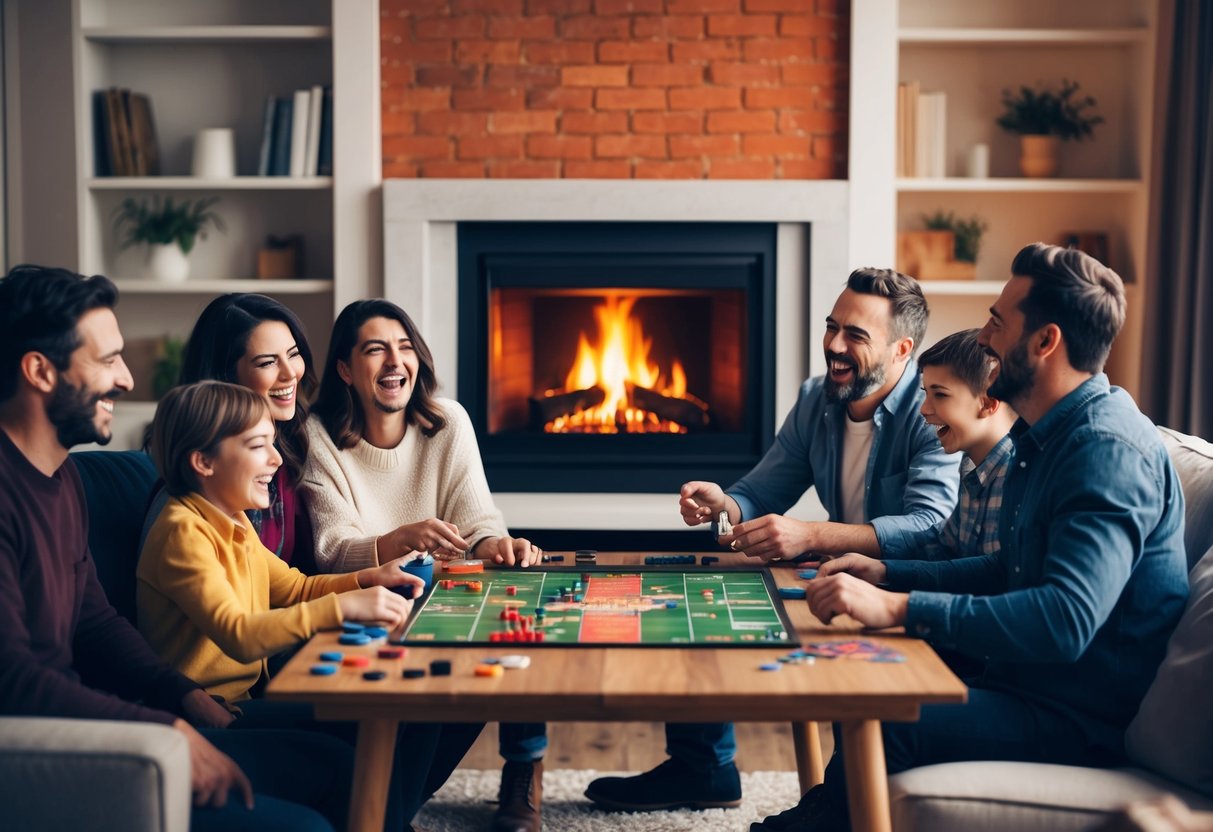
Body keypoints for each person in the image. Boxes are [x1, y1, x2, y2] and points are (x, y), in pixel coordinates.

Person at [754, 243, 1189, 831]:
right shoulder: (1047, 439)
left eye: (997, 321)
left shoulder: (1105, 450)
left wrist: (900, 606)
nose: (982, 338)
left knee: (881, 720)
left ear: (1045, 342)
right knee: (864, 679)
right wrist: (887, 574)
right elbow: (1004, 568)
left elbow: (1064, 621)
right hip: (1022, 682)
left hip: (1074, 718)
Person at [585, 268, 961, 812]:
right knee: (697, 589)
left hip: (897, 590)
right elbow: (766, 487)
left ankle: (828, 807)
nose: (833, 345)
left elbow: (930, 527)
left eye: (855, 335)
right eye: (832, 327)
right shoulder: (818, 398)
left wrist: (811, 534)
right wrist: (727, 504)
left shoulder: (929, 411)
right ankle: (703, 768)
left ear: (902, 349)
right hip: (833, 576)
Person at [0, 264, 350, 832]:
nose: (128, 379)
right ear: (40, 371)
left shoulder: (61, 479)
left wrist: (181, 697)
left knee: (337, 765)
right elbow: (13, 678)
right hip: (42, 747)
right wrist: (163, 732)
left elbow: (94, 622)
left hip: (106, 724)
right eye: (108, 359)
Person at [138, 379, 473, 828]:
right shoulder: (182, 530)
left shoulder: (231, 518)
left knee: (417, 710)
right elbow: (238, 633)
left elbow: (293, 587)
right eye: (259, 446)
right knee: (342, 759)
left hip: (245, 702)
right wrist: (344, 608)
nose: (277, 460)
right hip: (208, 721)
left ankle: (390, 820)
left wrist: (369, 577)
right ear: (203, 462)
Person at [301, 298, 546, 832]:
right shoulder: (317, 435)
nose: (395, 362)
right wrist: (398, 539)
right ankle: (389, 810)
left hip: (445, 596)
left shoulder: (447, 420)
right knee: (436, 691)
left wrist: (495, 546)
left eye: (404, 347)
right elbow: (330, 546)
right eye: (375, 350)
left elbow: (478, 519)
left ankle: (523, 767)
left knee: (513, 616)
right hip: (371, 602)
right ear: (345, 369)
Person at [144, 293, 319, 570]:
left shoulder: (286, 452)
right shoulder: (201, 491)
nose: (290, 374)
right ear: (226, 378)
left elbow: (297, 580)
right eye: (267, 362)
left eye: (293, 354)